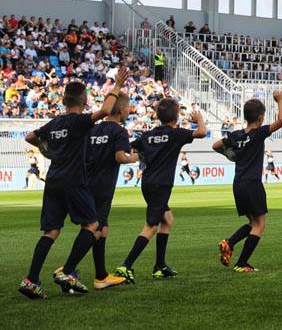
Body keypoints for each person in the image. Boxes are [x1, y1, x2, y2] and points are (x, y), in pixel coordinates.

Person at [18, 69, 127, 299]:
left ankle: (31, 280)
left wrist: (47, 150)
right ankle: (67, 271)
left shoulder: (55, 123)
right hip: (75, 180)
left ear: (64, 100)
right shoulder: (79, 122)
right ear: (85, 100)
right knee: (92, 225)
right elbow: (107, 110)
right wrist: (116, 86)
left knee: (51, 231)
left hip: (54, 180)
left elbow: (29, 138)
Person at [115, 98, 207, 283]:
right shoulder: (176, 134)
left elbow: (133, 146)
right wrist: (199, 118)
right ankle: (125, 266)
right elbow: (202, 132)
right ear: (176, 117)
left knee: (167, 219)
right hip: (161, 185)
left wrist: (138, 156)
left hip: (148, 182)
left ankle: (160, 266)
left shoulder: (148, 135)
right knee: (150, 227)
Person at [214, 90, 282, 272]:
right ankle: (242, 263)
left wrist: (230, 154)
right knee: (260, 225)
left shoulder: (236, 135)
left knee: (252, 223)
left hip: (238, 183)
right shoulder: (259, 133)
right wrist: (279, 100)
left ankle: (229, 243)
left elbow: (215, 145)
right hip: (252, 183)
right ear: (261, 117)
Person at [85, 90, 137, 290]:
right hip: (104, 185)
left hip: (88, 183)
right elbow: (119, 157)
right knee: (95, 229)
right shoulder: (119, 131)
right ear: (122, 109)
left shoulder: (93, 129)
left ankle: (101, 275)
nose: (129, 110)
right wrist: (132, 158)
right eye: (128, 107)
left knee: (102, 228)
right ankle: (69, 267)